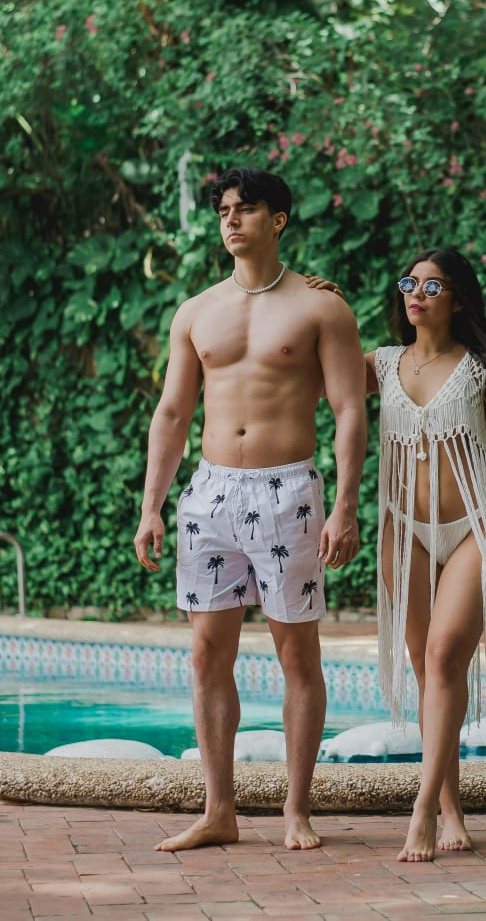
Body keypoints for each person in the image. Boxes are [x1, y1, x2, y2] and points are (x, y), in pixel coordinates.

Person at [132, 167, 367, 853]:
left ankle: (297, 809)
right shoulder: (197, 311)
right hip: (210, 494)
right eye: (224, 211)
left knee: (297, 652)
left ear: (280, 220)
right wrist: (152, 506)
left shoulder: (321, 308)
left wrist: (344, 505)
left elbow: (350, 409)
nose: (232, 220)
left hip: (288, 490)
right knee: (207, 654)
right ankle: (219, 809)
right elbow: (172, 412)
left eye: (248, 209)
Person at [366, 248, 486, 862]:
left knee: (444, 655)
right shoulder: (380, 365)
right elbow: (312, 366)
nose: (418, 294)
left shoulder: (483, 368)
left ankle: (421, 811)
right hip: (402, 529)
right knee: (428, 669)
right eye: (410, 283)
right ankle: (451, 806)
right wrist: (311, 294)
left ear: (458, 299)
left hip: (472, 526)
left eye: (433, 286)